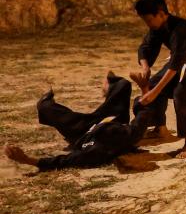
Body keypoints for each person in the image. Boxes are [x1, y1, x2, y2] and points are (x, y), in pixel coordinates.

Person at [4, 73, 154, 172]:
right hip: (110, 118)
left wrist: (27, 160)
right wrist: (144, 89)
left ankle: (109, 90)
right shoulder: (127, 134)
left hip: (81, 130)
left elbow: (65, 161)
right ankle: (109, 86)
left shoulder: (95, 150)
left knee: (45, 106)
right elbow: (142, 117)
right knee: (123, 84)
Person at [132, 0, 186, 158]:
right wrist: (145, 67)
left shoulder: (180, 30)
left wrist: (154, 92)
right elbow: (146, 47)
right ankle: (160, 128)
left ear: (162, 14)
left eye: (149, 20)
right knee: (152, 83)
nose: (148, 24)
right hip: (180, 57)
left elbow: (175, 66)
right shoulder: (158, 27)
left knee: (182, 96)